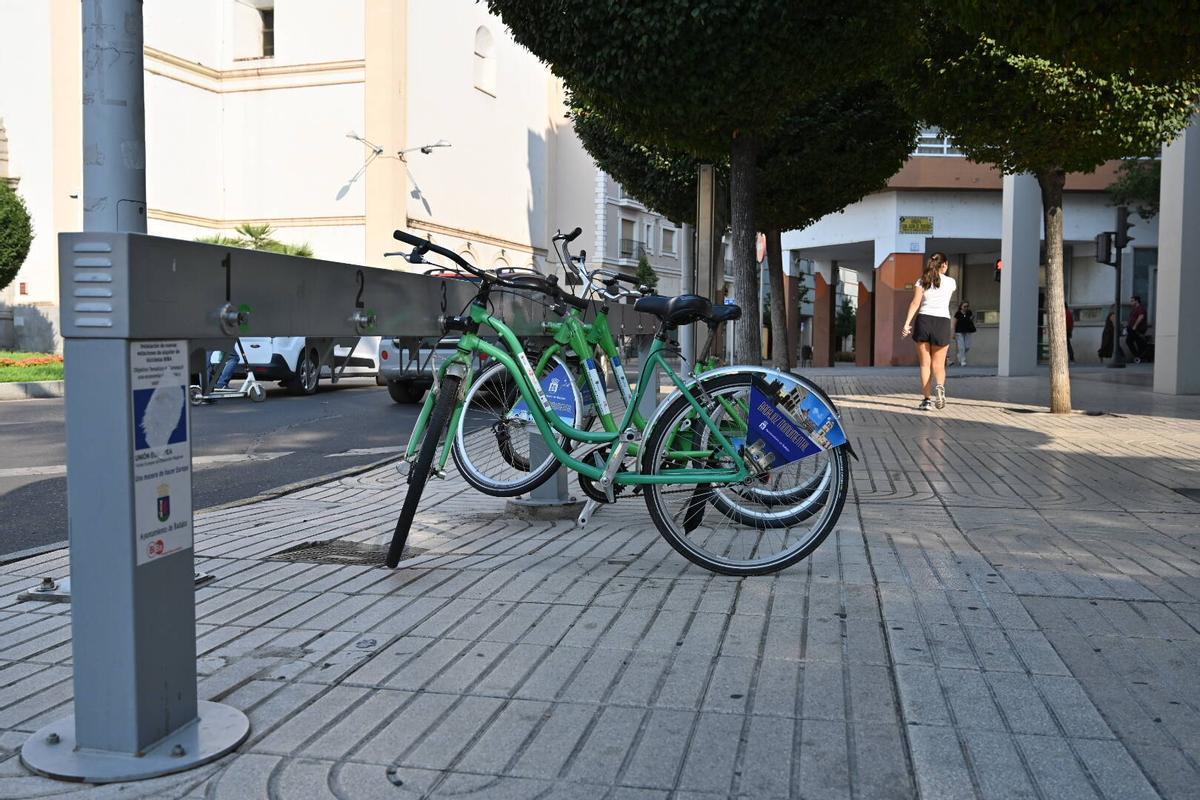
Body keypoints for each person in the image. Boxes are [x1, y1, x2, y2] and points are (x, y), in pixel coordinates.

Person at [902, 252, 955, 410]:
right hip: (942, 322)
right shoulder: (951, 282)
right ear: (944, 264)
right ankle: (940, 387)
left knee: (925, 365)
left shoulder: (922, 280)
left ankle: (926, 400)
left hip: (924, 321)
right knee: (939, 365)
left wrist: (906, 324)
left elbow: (915, 303)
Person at [1126, 295, 1149, 362]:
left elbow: (1141, 317)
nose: (1131, 302)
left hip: (1137, 329)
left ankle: (1138, 356)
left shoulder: (1140, 308)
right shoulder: (1134, 308)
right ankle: (1138, 356)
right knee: (1137, 342)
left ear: (1137, 301)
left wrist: (1135, 326)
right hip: (1132, 328)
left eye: (1132, 301)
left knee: (1130, 341)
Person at [953, 301, 976, 366]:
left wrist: (971, 318)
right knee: (961, 347)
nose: (966, 308)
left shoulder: (969, 312)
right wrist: (953, 333)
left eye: (967, 306)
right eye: (964, 306)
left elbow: (970, 320)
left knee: (967, 347)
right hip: (959, 332)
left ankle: (959, 355)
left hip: (968, 331)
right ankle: (963, 361)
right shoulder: (958, 313)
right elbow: (954, 323)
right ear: (961, 307)